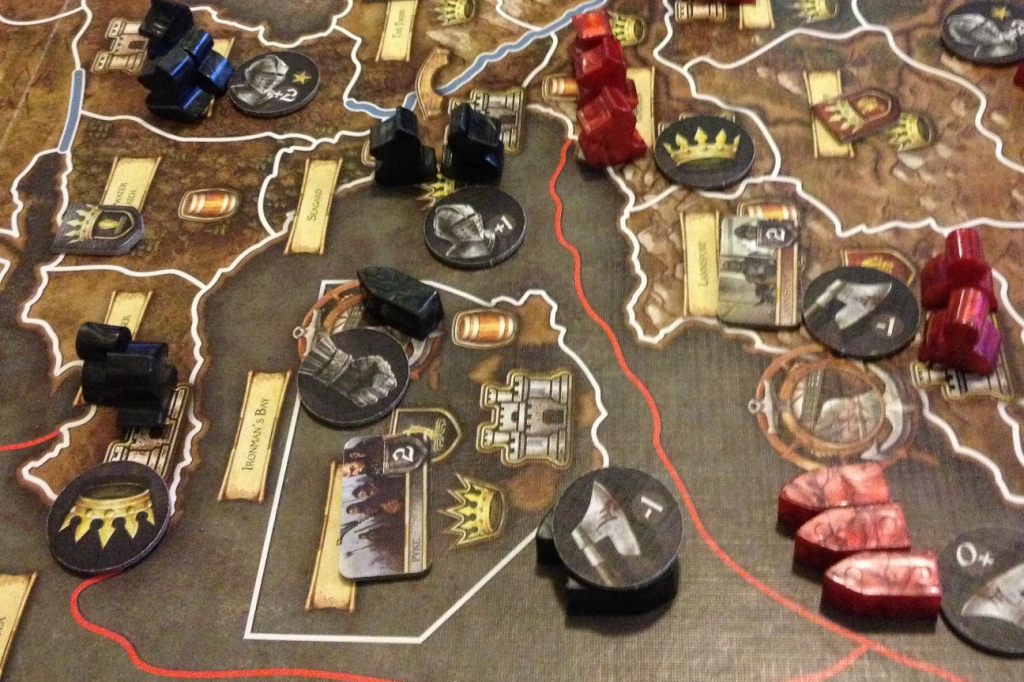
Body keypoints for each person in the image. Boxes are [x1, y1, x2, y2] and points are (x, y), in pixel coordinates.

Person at [431, 203, 496, 259]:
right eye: (464, 224)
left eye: (475, 218)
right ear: (449, 234)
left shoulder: (491, 236)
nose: (475, 225)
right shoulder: (455, 255)